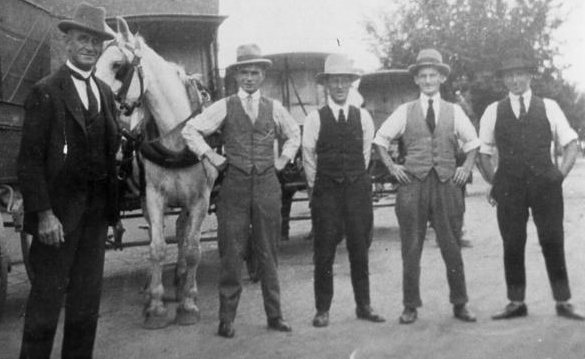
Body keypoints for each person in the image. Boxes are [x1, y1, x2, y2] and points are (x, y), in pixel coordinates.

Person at [17, 2, 120, 358]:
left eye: (96, 42)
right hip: (57, 221)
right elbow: (28, 161)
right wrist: (44, 215)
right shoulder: (46, 91)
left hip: (94, 218)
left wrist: (111, 210)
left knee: (86, 305)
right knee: (45, 304)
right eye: (82, 39)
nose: (90, 47)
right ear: (68, 43)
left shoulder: (106, 94)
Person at [182, 44, 300, 338]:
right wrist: (210, 155)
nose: (249, 78)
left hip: (266, 185)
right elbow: (190, 131)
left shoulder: (274, 108)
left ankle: (275, 315)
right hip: (233, 185)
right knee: (231, 252)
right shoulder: (225, 105)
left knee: (269, 252)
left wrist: (283, 159)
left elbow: (294, 134)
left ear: (262, 76)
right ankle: (227, 319)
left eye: (254, 72)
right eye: (243, 72)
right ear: (236, 76)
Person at [374, 48, 478, 324]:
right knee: (411, 246)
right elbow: (380, 140)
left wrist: (465, 168)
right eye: (424, 76)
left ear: (442, 78)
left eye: (434, 75)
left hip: (446, 184)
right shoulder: (405, 111)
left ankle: (460, 303)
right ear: (417, 80)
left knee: (452, 245)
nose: (429, 80)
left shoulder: (453, 111)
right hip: (413, 185)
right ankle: (410, 305)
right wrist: (393, 168)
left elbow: (473, 144)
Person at [478, 54, 584, 321]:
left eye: (520, 74)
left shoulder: (549, 107)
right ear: (504, 79)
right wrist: (495, 182)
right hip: (510, 188)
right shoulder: (493, 110)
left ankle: (563, 300)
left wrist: (558, 176)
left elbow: (571, 143)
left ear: (530, 76)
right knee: (512, 243)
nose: (514, 80)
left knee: (552, 241)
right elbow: (483, 152)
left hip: (545, 186)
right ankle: (516, 302)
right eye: (509, 75)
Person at [302, 53, 385, 328]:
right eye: (334, 81)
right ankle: (322, 309)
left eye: (344, 81)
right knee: (323, 251)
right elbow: (309, 157)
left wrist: (353, 180)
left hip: (356, 191)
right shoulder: (315, 118)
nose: (339, 86)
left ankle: (364, 306)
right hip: (326, 192)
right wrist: (320, 187)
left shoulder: (363, 117)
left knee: (359, 249)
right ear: (326, 84)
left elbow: (364, 153)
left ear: (351, 84)